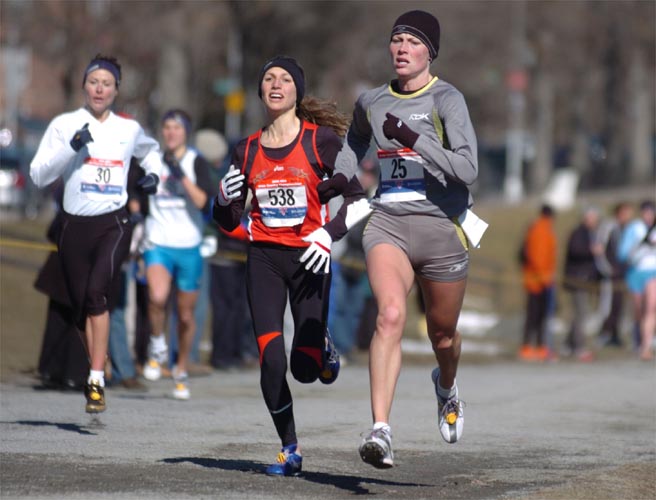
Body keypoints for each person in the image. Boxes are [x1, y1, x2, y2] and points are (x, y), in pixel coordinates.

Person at [317, 10, 482, 469]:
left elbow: (468, 170)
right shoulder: (371, 100)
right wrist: (341, 179)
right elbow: (355, 145)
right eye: (396, 40)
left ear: (430, 51)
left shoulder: (447, 99)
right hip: (388, 222)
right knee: (389, 316)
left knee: (442, 335)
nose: (402, 48)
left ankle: (446, 386)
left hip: (442, 227)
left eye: (412, 41)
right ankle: (381, 430)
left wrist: (413, 138)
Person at [213, 56, 369, 476]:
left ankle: (322, 350)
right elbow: (227, 221)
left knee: (303, 366)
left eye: (285, 79)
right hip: (263, 258)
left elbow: (359, 202)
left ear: (298, 91)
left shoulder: (321, 143)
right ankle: (290, 448)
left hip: (310, 258)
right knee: (271, 361)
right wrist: (224, 200)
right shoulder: (244, 149)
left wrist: (328, 234)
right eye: (268, 79)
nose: (276, 85)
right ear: (260, 91)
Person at [30, 54, 161, 413]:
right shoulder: (64, 124)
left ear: (116, 90)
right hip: (73, 226)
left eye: (107, 83)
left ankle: (97, 378)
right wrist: (70, 147)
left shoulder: (128, 129)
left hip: (113, 224)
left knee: (96, 294)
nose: (99, 89)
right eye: (94, 82)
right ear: (84, 86)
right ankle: (94, 373)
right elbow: (39, 174)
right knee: (80, 308)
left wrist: (154, 177)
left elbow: (153, 155)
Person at [141, 109, 216, 400]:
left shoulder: (194, 161)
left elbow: (201, 201)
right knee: (157, 297)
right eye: (167, 127)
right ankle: (157, 344)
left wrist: (179, 174)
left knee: (185, 315)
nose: (171, 132)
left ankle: (181, 366)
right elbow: (138, 190)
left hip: (189, 245)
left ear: (186, 132)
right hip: (158, 240)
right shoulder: (152, 160)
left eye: (177, 128)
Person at [562, 206, 603, 361]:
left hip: (585, 279)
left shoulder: (591, 233)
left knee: (579, 314)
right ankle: (579, 347)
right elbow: (575, 251)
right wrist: (591, 250)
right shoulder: (578, 233)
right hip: (577, 279)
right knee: (581, 313)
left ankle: (568, 344)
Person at [518, 204, 557, 361]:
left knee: (539, 316)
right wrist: (544, 278)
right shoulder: (541, 230)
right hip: (538, 281)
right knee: (535, 315)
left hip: (540, 280)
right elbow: (538, 257)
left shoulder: (539, 228)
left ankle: (540, 347)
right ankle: (528, 347)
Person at [617, 200, 656, 361]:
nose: (648, 215)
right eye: (646, 212)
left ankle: (646, 346)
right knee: (639, 310)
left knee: (651, 308)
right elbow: (622, 254)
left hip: (652, 272)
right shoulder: (634, 229)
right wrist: (639, 246)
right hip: (635, 273)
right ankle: (638, 339)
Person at [595, 202, 634, 347]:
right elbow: (599, 250)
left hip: (622, 274)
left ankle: (615, 335)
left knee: (619, 305)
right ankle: (604, 333)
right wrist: (608, 269)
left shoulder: (627, 229)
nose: (628, 216)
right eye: (626, 212)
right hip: (610, 274)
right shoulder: (608, 227)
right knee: (607, 305)